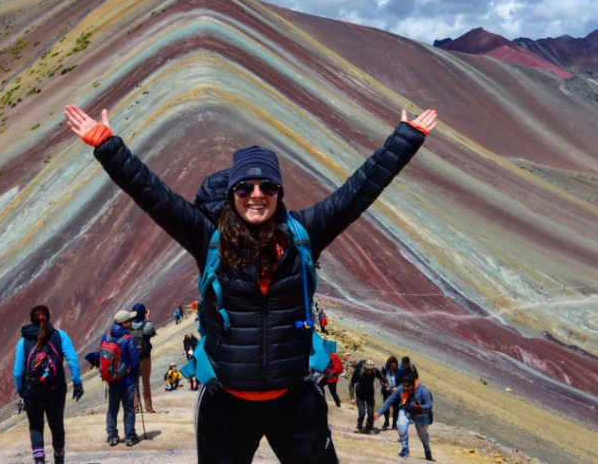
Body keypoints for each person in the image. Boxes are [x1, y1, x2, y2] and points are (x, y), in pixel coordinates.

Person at [65, 103, 437, 464]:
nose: (256, 195)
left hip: (296, 401)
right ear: (232, 194)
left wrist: (405, 139)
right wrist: (106, 144)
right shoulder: (207, 237)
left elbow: (358, 191)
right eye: (245, 187)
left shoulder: (304, 234)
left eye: (267, 186)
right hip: (225, 404)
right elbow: (152, 195)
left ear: (279, 192)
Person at [14, 305, 83, 464]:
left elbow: (18, 371)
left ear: (31, 321)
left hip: (32, 393)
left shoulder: (23, 342)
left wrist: (20, 390)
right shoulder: (60, 336)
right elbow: (72, 360)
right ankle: (59, 459)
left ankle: (39, 460)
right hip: (56, 391)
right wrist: (77, 383)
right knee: (57, 425)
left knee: (36, 427)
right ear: (48, 318)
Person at [101, 309, 142, 446]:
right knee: (129, 408)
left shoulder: (106, 337)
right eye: (129, 320)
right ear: (124, 323)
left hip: (112, 380)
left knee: (112, 408)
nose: (131, 322)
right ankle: (130, 436)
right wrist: (137, 375)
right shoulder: (128, 340)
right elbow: (135, 362)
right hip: (127, 380)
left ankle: (112, 436)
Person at [378, 374, 434, 460]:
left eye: (408, 386)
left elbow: (429, 405)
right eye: (404, 386)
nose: (406, 388)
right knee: (401, 426)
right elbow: (391, 400)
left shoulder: (423, 391)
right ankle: (405, 449)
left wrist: (420, 407)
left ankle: (427, 450)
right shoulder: (401, 389)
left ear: (413, 384)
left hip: (421, 413)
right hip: (406, 410)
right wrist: (380, 412)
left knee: (422, 434)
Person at [130, 302, 157, 413]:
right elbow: (153, 333)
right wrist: (148, 319)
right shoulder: (146, 326)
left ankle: (135, 408)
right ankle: (148, 408)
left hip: (133, 360)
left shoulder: (129, 326)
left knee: (134, 384)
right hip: (145, 358)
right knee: (146, 383)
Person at [350, 359, 385, 433]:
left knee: (371, 412)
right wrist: (352, 397)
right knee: (362, 412)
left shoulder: (374, 371)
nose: (369, 371)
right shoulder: (358, 372)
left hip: (370, 394)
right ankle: (359, 423)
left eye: (370, 370)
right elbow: (351, 384)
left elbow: (381, 377)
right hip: (360, 394)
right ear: (364, 368)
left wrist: (385, 382)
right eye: (367, 370)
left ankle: (369, 428)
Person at [380, 356, 400, 429]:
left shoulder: (400, 369)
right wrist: (383, 383)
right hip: (387, 390)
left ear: (395, 364)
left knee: (396, 408)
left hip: (396, 392)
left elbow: (403, 380)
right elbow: (380, 376)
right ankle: (386, 422)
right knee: (386, 406)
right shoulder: (385, 367)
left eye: (393, 366)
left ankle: (394, 424)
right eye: (390, 366)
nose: (391, 367)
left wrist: (397, 387)